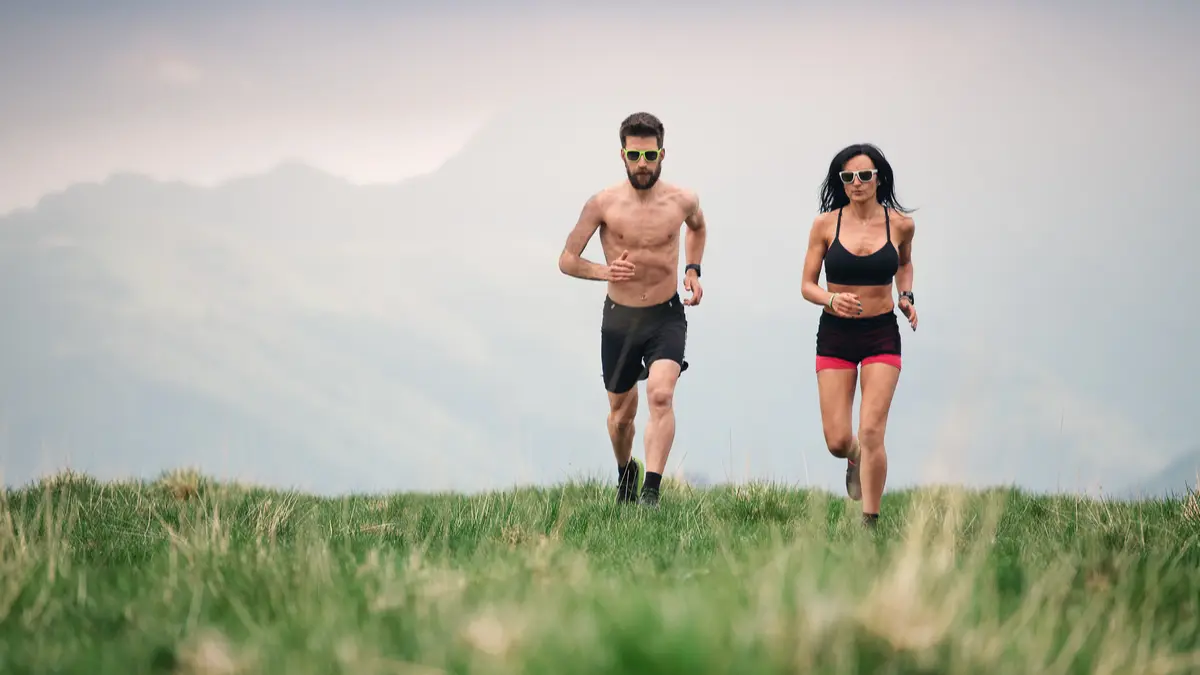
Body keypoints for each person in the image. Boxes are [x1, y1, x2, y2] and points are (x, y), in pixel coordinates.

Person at [557, 111, 707, 507]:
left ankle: (652, 492)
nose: (643, 164)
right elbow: (567, 259)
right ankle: (626, 473)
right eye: (635, 155)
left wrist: (692, 270)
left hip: (666, 315)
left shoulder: (683, 200)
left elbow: (698, 227)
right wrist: (604, 271)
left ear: (662, 153)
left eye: (650, 155)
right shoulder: (602, 204)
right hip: (620, 319)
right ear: (622, 154)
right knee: (621, 416)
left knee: (660, 396)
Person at [800, 142, 918, 528]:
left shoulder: (899, 224)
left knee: (871, 430)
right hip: (835, 333)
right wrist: (831, 299)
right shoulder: (824, 225)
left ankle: (870, 521)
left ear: (878, 178)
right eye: (848, 177)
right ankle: (853, 457)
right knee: (838, 440)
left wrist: (906, 296)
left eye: (864, 176)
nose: (856, 183)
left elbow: (905, 264)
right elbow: (806, 285)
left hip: (881, 333)